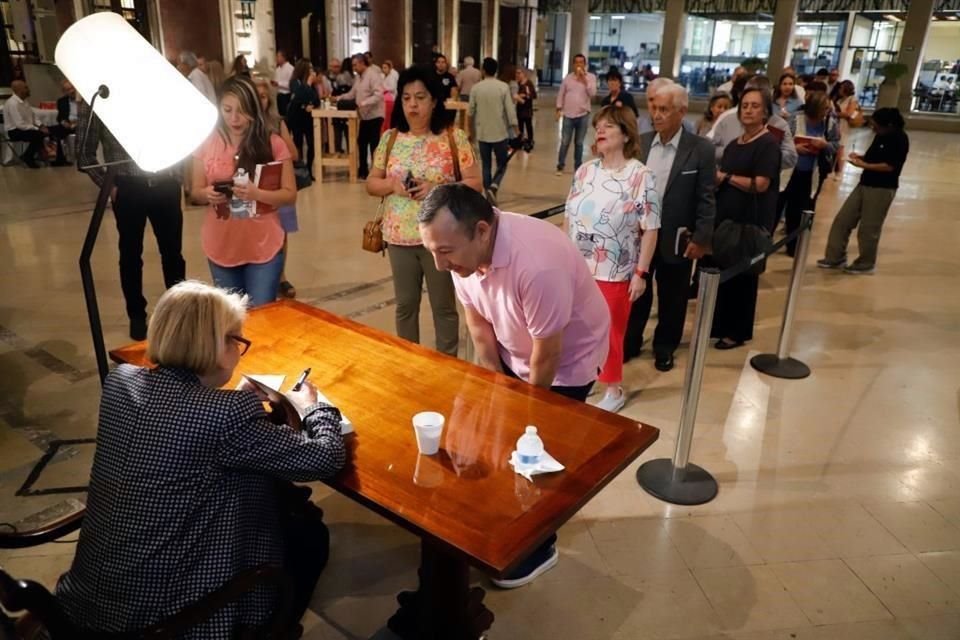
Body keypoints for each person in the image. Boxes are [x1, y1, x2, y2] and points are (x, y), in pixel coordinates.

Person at [55, 281, 346, 638]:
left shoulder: (120, 381)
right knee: (307, 535)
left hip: (88, 599)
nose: (240, 352)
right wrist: (315, 409)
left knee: (273, 496)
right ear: (215, 345)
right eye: (237, 341)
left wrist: (227, 406)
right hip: (162, 617)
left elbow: (176, 429)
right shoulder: (224, 416)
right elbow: (324, 458)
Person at [418, 183, 609, 587]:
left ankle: (541, 545)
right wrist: (495, 394)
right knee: (500, 437)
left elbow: (548, 355)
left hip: (566, 362)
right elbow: (480, 329)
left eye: (445, 252)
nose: (438, 265)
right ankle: (508, 521)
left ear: (482, 231)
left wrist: (526, 415)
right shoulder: (461, 259)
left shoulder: (537, 264)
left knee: (541, 449)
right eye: (433, 251)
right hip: (515, 345)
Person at [366, 66, 482, 356]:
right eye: (406, 98)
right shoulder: (390, 138)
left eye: (420, 97)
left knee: (443, 307)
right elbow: (371, 183)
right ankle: (408, 362)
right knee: (405, 306)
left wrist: (437, 188)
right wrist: (392, 185)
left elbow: (475, 183)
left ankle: (447, 365)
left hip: (443, 239)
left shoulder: (453, 138)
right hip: (398, 238)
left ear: (434, 100)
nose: (412, 105)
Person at [565, 105, 659, 412]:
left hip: (615, 270)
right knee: (578, 328)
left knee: (610, 332)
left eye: (608, 126)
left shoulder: (640, 175)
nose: (600, 131)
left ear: (626, 133)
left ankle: (614, 388)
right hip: (579, 267)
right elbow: (570, 217)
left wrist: (641, 273)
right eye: (598, 126)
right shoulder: (586, 171)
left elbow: (651, 228)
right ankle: (586, 377)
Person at [77, 92, 186, 340]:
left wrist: (178, 174)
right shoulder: (96, 96)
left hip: (165, 182)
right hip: (127, 186)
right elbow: (84, 154)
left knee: (173, 254)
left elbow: (179, 133)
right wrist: (110, 187)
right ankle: (136, 315)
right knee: (130, 254)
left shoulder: (153, 89)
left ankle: (180, 311)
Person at [627, 84, 716, 370]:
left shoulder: (700, 149)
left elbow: (706, 197)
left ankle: (664, 346)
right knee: (637, 292)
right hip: (641, 235)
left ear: (681, 112)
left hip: (677, 237)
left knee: (673, 296)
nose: (657, 114)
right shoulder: (641, 143)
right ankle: (630, 340)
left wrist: (702, 237)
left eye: (664, 109)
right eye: (654, 108)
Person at [191, 76, 297, 306]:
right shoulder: (206, 142)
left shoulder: (273, 143)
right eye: (227, 110)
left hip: (264, 244)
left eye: (242, 111)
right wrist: (206, 193)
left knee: (261, 319)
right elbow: (195, 191)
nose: (234, 119)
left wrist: (257, 194)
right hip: (221, 244)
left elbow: (290, 194)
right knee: (232, 319)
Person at [711, 88, 781, 350]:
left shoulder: (767, 145)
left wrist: (726, 178)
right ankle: (719, 324)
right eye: (744, 105)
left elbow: (761, 184)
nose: (748, 110)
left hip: (750, 221)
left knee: (743, 278)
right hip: (727, 218)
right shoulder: (733, 144)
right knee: (724, 273)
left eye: (754, 106)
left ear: (765, 112)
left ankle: (737, 331)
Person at [818, 108, 909, 275]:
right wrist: (860, 157)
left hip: (882, 189)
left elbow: (889, 166)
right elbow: (873, 157)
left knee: (869, 228)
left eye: (877, 125)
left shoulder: (900, 139)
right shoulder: (880, 135)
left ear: (889, 125)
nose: (873, 128)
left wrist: (864, 165)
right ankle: (835, 256)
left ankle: (866, 263)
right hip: (864, 184)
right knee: (842, 220)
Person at [255, 79, 300, 300]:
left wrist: (278, 147)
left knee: (281, 233)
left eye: (264, 96)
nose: (260, 100)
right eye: (256, 95)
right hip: (254, 188)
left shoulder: (276, 122)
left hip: (278, 184)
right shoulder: (242, 124)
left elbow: (293, 153)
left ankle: (281, 276)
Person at [782, 91, 839, 257]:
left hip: (813, 172)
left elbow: (836, 145)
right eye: (824, 109)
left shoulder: (830, 123)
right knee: (789, 206)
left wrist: (824, 145)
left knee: (807, 207)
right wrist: (795, 148)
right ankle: (786, 242)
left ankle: (799, 245)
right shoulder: (795, 118)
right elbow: (784, 141)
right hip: (791, 171)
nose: (827, 112)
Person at [470, 57, 517, 203]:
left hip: (483, 133)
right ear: (496, 71)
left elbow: (471, 112)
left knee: (486, 165)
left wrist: (471, 132)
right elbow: (510, 111)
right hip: (500, 133)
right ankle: (494, 187)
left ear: (483, 70)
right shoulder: (503, 87)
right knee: (502, 164)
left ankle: (487, 192)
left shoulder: (476, 88)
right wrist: (517, 130)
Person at [334, 53, 384, 179]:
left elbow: (378, 95)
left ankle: (375, 172)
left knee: (374, 144)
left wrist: (364, 103)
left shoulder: (373, 75)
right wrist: (338, 98)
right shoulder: (359, 77)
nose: (354, 68)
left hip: (375, 115)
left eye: (355, 65)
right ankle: (362, 170)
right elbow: (352, 94)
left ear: (362, 63)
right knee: (361, 142)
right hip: (364, 115)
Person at [555, 53, 597, 176]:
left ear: (585, 64)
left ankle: (577, 167)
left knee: (579, 143)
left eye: (581, 62)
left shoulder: (591, 77)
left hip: (583, 115)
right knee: (565, 141)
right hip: (568, 114)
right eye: (577, 62)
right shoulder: (568, 78)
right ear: (573, 65)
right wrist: (558, 107)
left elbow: (593, 93)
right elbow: (561, 93)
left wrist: (584, 80)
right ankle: (560, 165)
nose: (579, 64)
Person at [4, 80, 60, 168]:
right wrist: (37, 128)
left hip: (26, 128)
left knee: (53, 129)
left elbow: (33, 116)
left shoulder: (24, 101)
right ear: (19, 90)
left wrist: (41, 125)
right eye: (26, 87)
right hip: (14, 131)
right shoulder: (12, 103)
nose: (28, 89)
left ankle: (50, 156)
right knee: (38, 134)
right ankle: (28, 156)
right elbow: (19, 124)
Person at [285, 58, 320, 181]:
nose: (312, 71)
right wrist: (308, 85)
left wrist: (311, 104)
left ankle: (309, 169)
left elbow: (316, 99)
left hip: (308, 117)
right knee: (298, 142)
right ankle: (299, 170)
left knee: (311, 143)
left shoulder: (310, 84)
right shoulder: (295, 82)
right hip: (296, 116)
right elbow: (299, 96)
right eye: (309, 68)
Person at [833, 79, 859, 176]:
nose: (839, 89)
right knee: (836, 147)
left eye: (841, 88)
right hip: (836, 124)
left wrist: (835, 114)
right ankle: (834, 169)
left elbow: (849, 113)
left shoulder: (852, 99)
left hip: (844, 125)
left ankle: (839, 171)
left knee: (840, 148)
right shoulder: (839, 99)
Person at [328, 57, 355, 153]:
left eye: (337, 66)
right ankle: (344, 151)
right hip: (341, 106)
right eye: (333, 66)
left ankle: (344, 151)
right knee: (342, 130)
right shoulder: (329, 77)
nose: (335, 68)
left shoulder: (342, 76)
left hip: (342, 105)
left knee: (343, 130)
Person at [510, 66, 537, 147]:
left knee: (528, 126)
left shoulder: (529, 83)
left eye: (519, 73)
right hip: (519, 109)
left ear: (524, 74)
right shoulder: (516, 84)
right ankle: (520, 141)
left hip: (527, 109)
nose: (517, 75)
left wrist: (525, 95)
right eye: (516, 73)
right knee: (520, 126)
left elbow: (534, 95)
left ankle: (530, 140)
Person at [273, 50, 295, 115]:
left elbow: (291, 84)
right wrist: (275, 83)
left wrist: (279, 83)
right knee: (281, 115)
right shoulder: (278, 69)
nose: (276, 58)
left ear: (283, 57)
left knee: (287, 114)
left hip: (286, 95)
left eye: (278, 56)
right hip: (279, 95)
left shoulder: (290, 68)